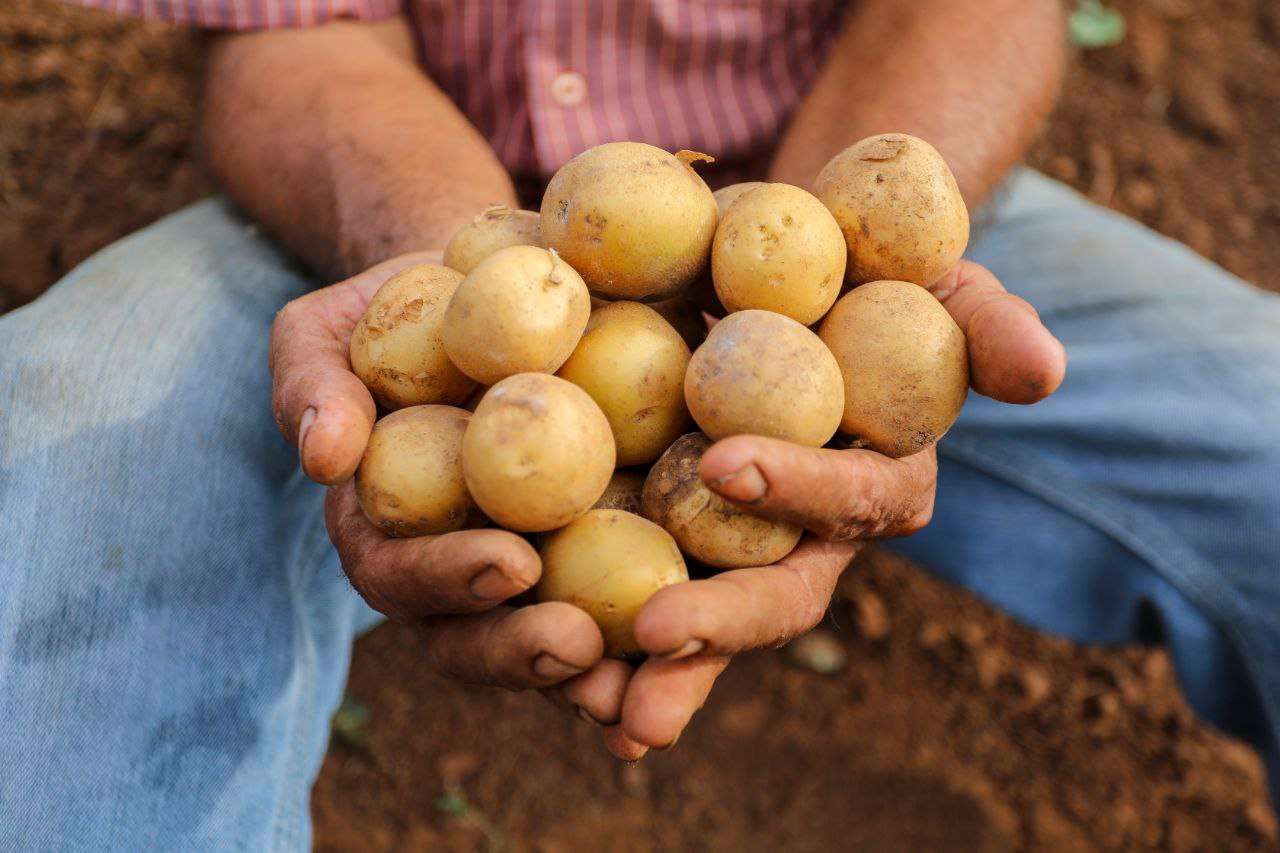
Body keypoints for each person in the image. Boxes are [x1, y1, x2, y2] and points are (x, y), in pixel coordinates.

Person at [1, 0, 1276, 846]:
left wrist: (856, 256)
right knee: (62, 459)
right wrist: (442, 279)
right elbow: (288, 36)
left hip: (823, 188)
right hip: (410, 210)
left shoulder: (830, 263)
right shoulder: (471, 297)